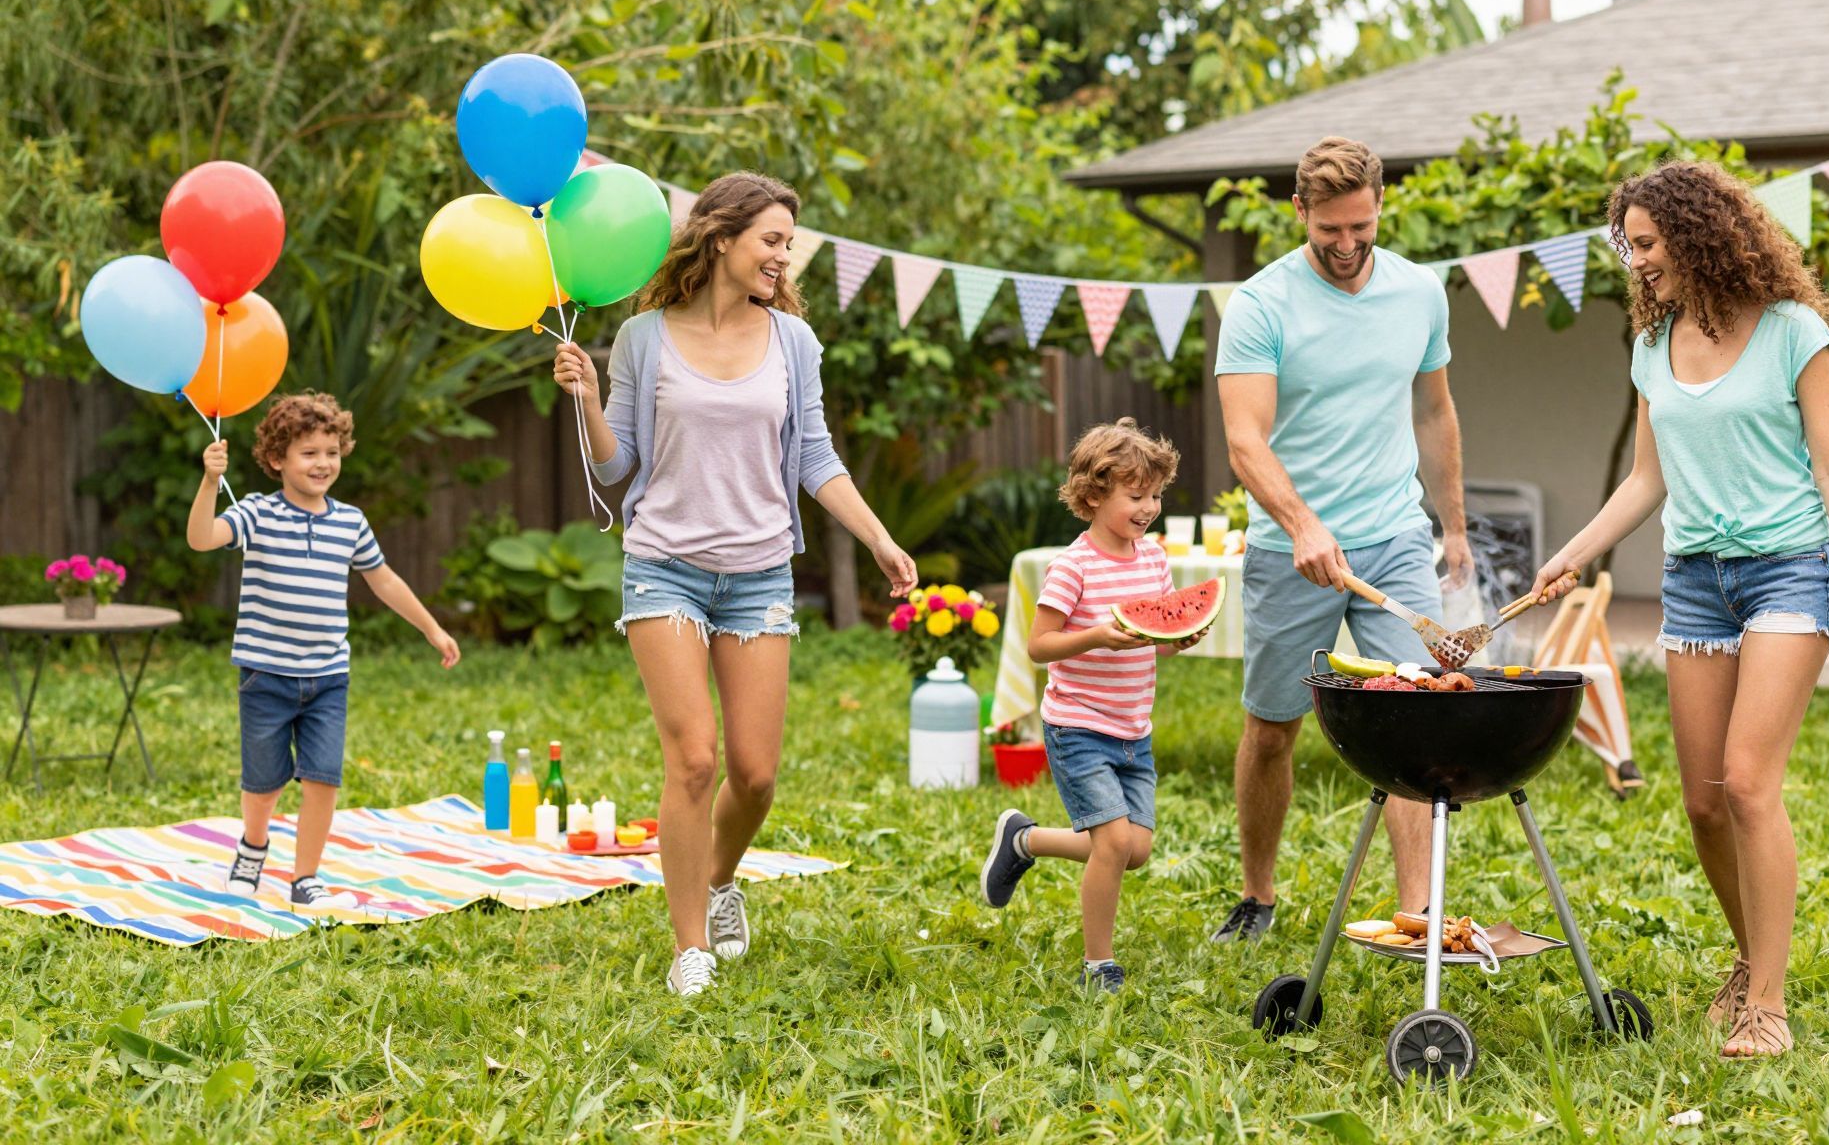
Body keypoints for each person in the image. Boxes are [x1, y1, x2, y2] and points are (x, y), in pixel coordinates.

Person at [1531, 161, 1829, 1058]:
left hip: (1786, 570)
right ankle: (1749, 956)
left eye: (1648, 244)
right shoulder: (1652, 343)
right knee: (1701, 805)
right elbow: (1648, 478)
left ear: (1700, 234)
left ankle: (1767, 1005)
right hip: (1697, 577)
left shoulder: (1794, 332)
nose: (1637, 261)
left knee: (1747, 783)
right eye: (1629, 246)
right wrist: (1575, 553)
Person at [551, 172, 917, 1000]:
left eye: (788, 244)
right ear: (721, 238)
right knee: (693, 761)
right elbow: (617, 468)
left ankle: (718, 883)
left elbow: (816, 456)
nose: (783, 258)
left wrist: (881, 539)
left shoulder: (794, 342)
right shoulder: (644, 338)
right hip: (663, 567)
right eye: (772, 241)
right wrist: (584, 401)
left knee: (754, 776)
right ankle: (689, 947)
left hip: (757, 576)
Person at [1209, 137, 1472, 941]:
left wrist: (1452, 524)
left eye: (1362, 226)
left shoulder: (1420, 293)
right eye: (1330, 230)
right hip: (1293, 549)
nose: (1349, 245)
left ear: (1380, 208)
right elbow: (1245, 439)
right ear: (1300, 213)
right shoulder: (1260, 305)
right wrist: (1302, 524)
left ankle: (1418, 913)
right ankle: (1258, 895)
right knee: (1273, 726)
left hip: (1395, 535)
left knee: (1418, 720)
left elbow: (1434, 411)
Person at [187, 392, 460, 907]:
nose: (323, 463)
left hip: (328, 677)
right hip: (265, 675)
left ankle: (304, 878)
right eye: (309, 452)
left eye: (331, 451)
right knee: (264, 784)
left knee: (322, 781)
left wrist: (431, 628)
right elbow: (202, 538)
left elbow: (384, 581)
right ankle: (253, 845)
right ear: (277, 460)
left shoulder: (349, 522)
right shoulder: (256, 513)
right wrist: (207, 482)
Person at [978, 418, 1204, 993]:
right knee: (1112, 844)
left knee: (1137, 851)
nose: (1149, 506)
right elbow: (1038, 645)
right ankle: (1098, 964)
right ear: (1094, 494)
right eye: (1136, 495)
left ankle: (1024, 840)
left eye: (1156, 494)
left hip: (1135, 729)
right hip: (1078, 727)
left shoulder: (1153, 560)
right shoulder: (1072, 567)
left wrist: (1179, 637)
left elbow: (1154, 634)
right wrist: (1096, 635)